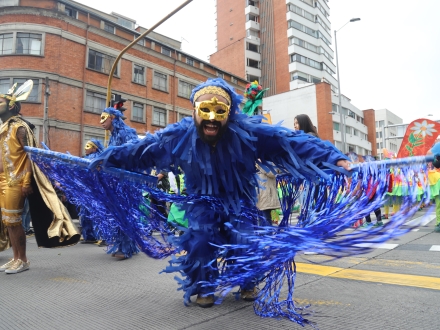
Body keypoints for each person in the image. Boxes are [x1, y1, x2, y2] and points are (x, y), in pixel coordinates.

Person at [91, 78, 351, 308]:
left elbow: (290, 141)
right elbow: (144, 149)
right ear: (194, 111)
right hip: (202, 203)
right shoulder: (178, 136)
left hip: (240, 201)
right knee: (201, 240)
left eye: (219, 111)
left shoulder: (249, 133)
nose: (212, 118)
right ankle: (204, 287)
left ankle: (247, 282)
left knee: (245, 238)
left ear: (230, 112)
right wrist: (109, 159)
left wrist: (334, 158)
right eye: (205, 110)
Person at [0, 80, 79, 274]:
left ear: (11, 105)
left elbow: (30, 156)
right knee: (8, 221)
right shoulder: (3, 128)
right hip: (4, 179)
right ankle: (15, 257)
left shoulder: (20, 127)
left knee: (15, 220)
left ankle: (23, 260)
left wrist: (27, 181)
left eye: (0, 102)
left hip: (17, 181)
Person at [100, 106, 140, 259]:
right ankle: (123, 245)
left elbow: (132, 153)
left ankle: (127, 248)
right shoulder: (113, 136)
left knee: (124, 212)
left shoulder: (127, 133)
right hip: (116, 181)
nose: (101, 122)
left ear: (113, 118)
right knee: (116, 213)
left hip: (126, 182)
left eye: (104, 118)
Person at [80, 139, 104, 243]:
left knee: (96, 213)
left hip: (96, 191)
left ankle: (101, 236)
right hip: (86, 190)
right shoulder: (85, 158)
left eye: (88, 146)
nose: (86, 148)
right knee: (85, 213)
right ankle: (89, 236)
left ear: (94, 148)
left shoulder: (99, 159)